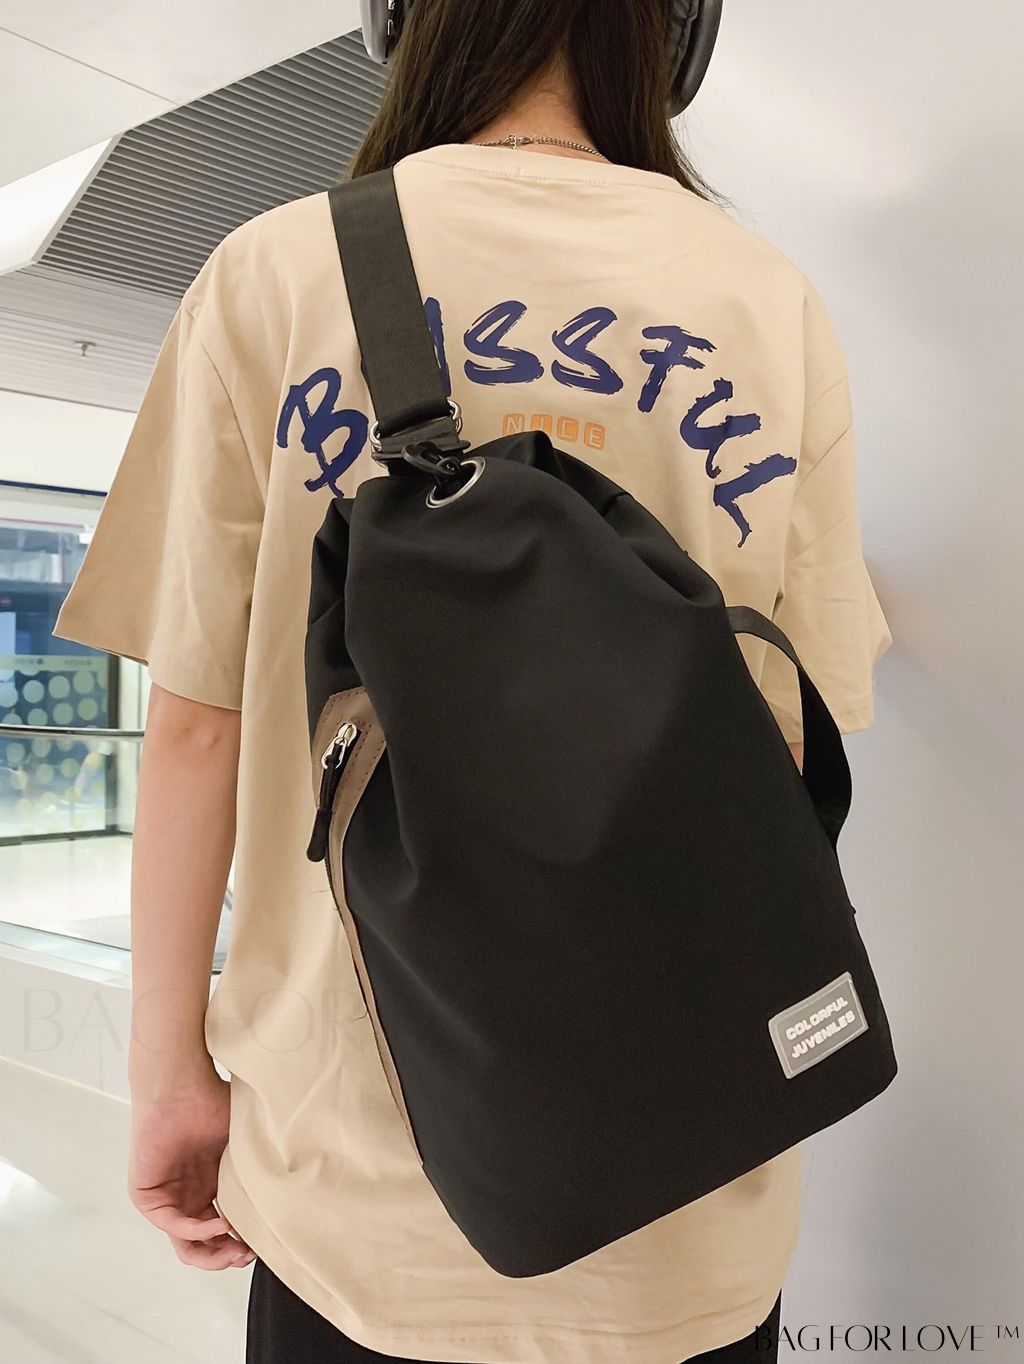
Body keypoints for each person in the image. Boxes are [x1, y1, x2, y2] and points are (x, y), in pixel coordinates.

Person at [54, 0, 893, 1360]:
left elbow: (201, 728)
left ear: (398, 17)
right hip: (690, 1184)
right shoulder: (765, 297)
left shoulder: (274, 272)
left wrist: (169, 1081)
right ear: (679, 32)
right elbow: (800, 728)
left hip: (350, 1189)